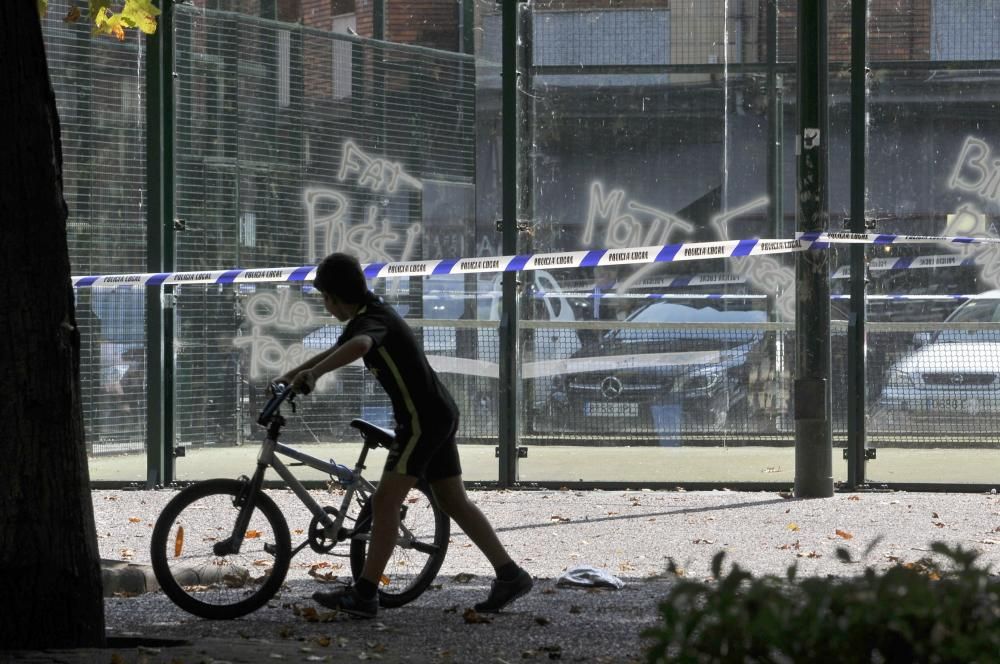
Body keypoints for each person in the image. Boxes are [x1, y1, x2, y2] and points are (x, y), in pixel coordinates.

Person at [275, 253, 532, 619]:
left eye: (324, 299)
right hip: (437, 413)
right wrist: (294, 374)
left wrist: (314, 375)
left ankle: (364, 594)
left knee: (384, 503)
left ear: (333, 296)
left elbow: (360, 346)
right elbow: (338, 349)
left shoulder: (372, 321)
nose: (325, 306)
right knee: (453, 501)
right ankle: (511, 575)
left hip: (421, 420)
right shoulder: (370, 312)